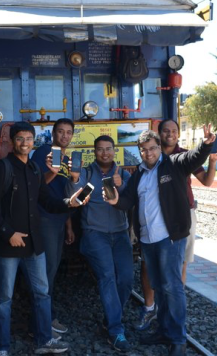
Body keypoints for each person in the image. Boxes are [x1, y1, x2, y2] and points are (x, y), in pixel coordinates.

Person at [105, 127, 215, 356]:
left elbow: (194, 156)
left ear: (159, 148)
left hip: (169, 239)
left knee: (172, 287)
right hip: (148, 239)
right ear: (140, 151)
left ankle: (177, 339)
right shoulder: (139, 173)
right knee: (159, 287)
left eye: (152, 148)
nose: (148, 153)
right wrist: (115, 200)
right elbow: (127, 201)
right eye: (143, 150)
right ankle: (164, 330)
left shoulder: (174, 163)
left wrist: (205, 145)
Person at [0, 121, 87, 356]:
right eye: (20, 139)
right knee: (3, 299)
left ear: (34, 141)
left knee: (42, 293)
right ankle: (1, 348)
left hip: (34, 246)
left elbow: (47, 201)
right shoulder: (1, 169)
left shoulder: (35, 170)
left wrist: (69, 203)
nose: (25, 143)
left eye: (29, 139)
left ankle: (44, 340)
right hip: (8, 245)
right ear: (11, 141)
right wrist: (8, 233)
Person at [135, 120, 217, 330]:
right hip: (155, 219)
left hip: (181, 216)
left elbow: (206, 179)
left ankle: (174, 316)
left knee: (178, 267)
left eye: (174, 131)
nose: (170, 134)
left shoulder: (180, 157)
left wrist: (210, 155)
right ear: (158, 134)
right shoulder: (149, 159)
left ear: (178, 133)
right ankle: (150, 308)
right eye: (166, 131)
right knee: (149, 265)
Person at [67, 136, 132, 352]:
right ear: (94, 152)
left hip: (120, 234)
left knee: (126, 279)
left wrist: (121, 188)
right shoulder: (87, 174)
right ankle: (115, 330)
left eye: (108, 149)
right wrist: (75, 179)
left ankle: (110, 318)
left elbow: (131, 202)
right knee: (107, 277)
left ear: (115, 151)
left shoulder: (122, 174)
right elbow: (75, 200)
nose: (105, 153)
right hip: (95, 234)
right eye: (100, 149)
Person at [29, 118, 75, 335]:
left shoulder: (64, 156)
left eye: (68, 133)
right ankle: (43, 322)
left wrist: (68, 226)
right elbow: (36, 186)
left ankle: (46, 317)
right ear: (53, 133)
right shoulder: (45, 152)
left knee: (52, 270)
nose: (64, 136)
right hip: (45, 218)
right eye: (60, 132)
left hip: (58, 219)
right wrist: (54, 171)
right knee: (46, 272)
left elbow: (62, 193)